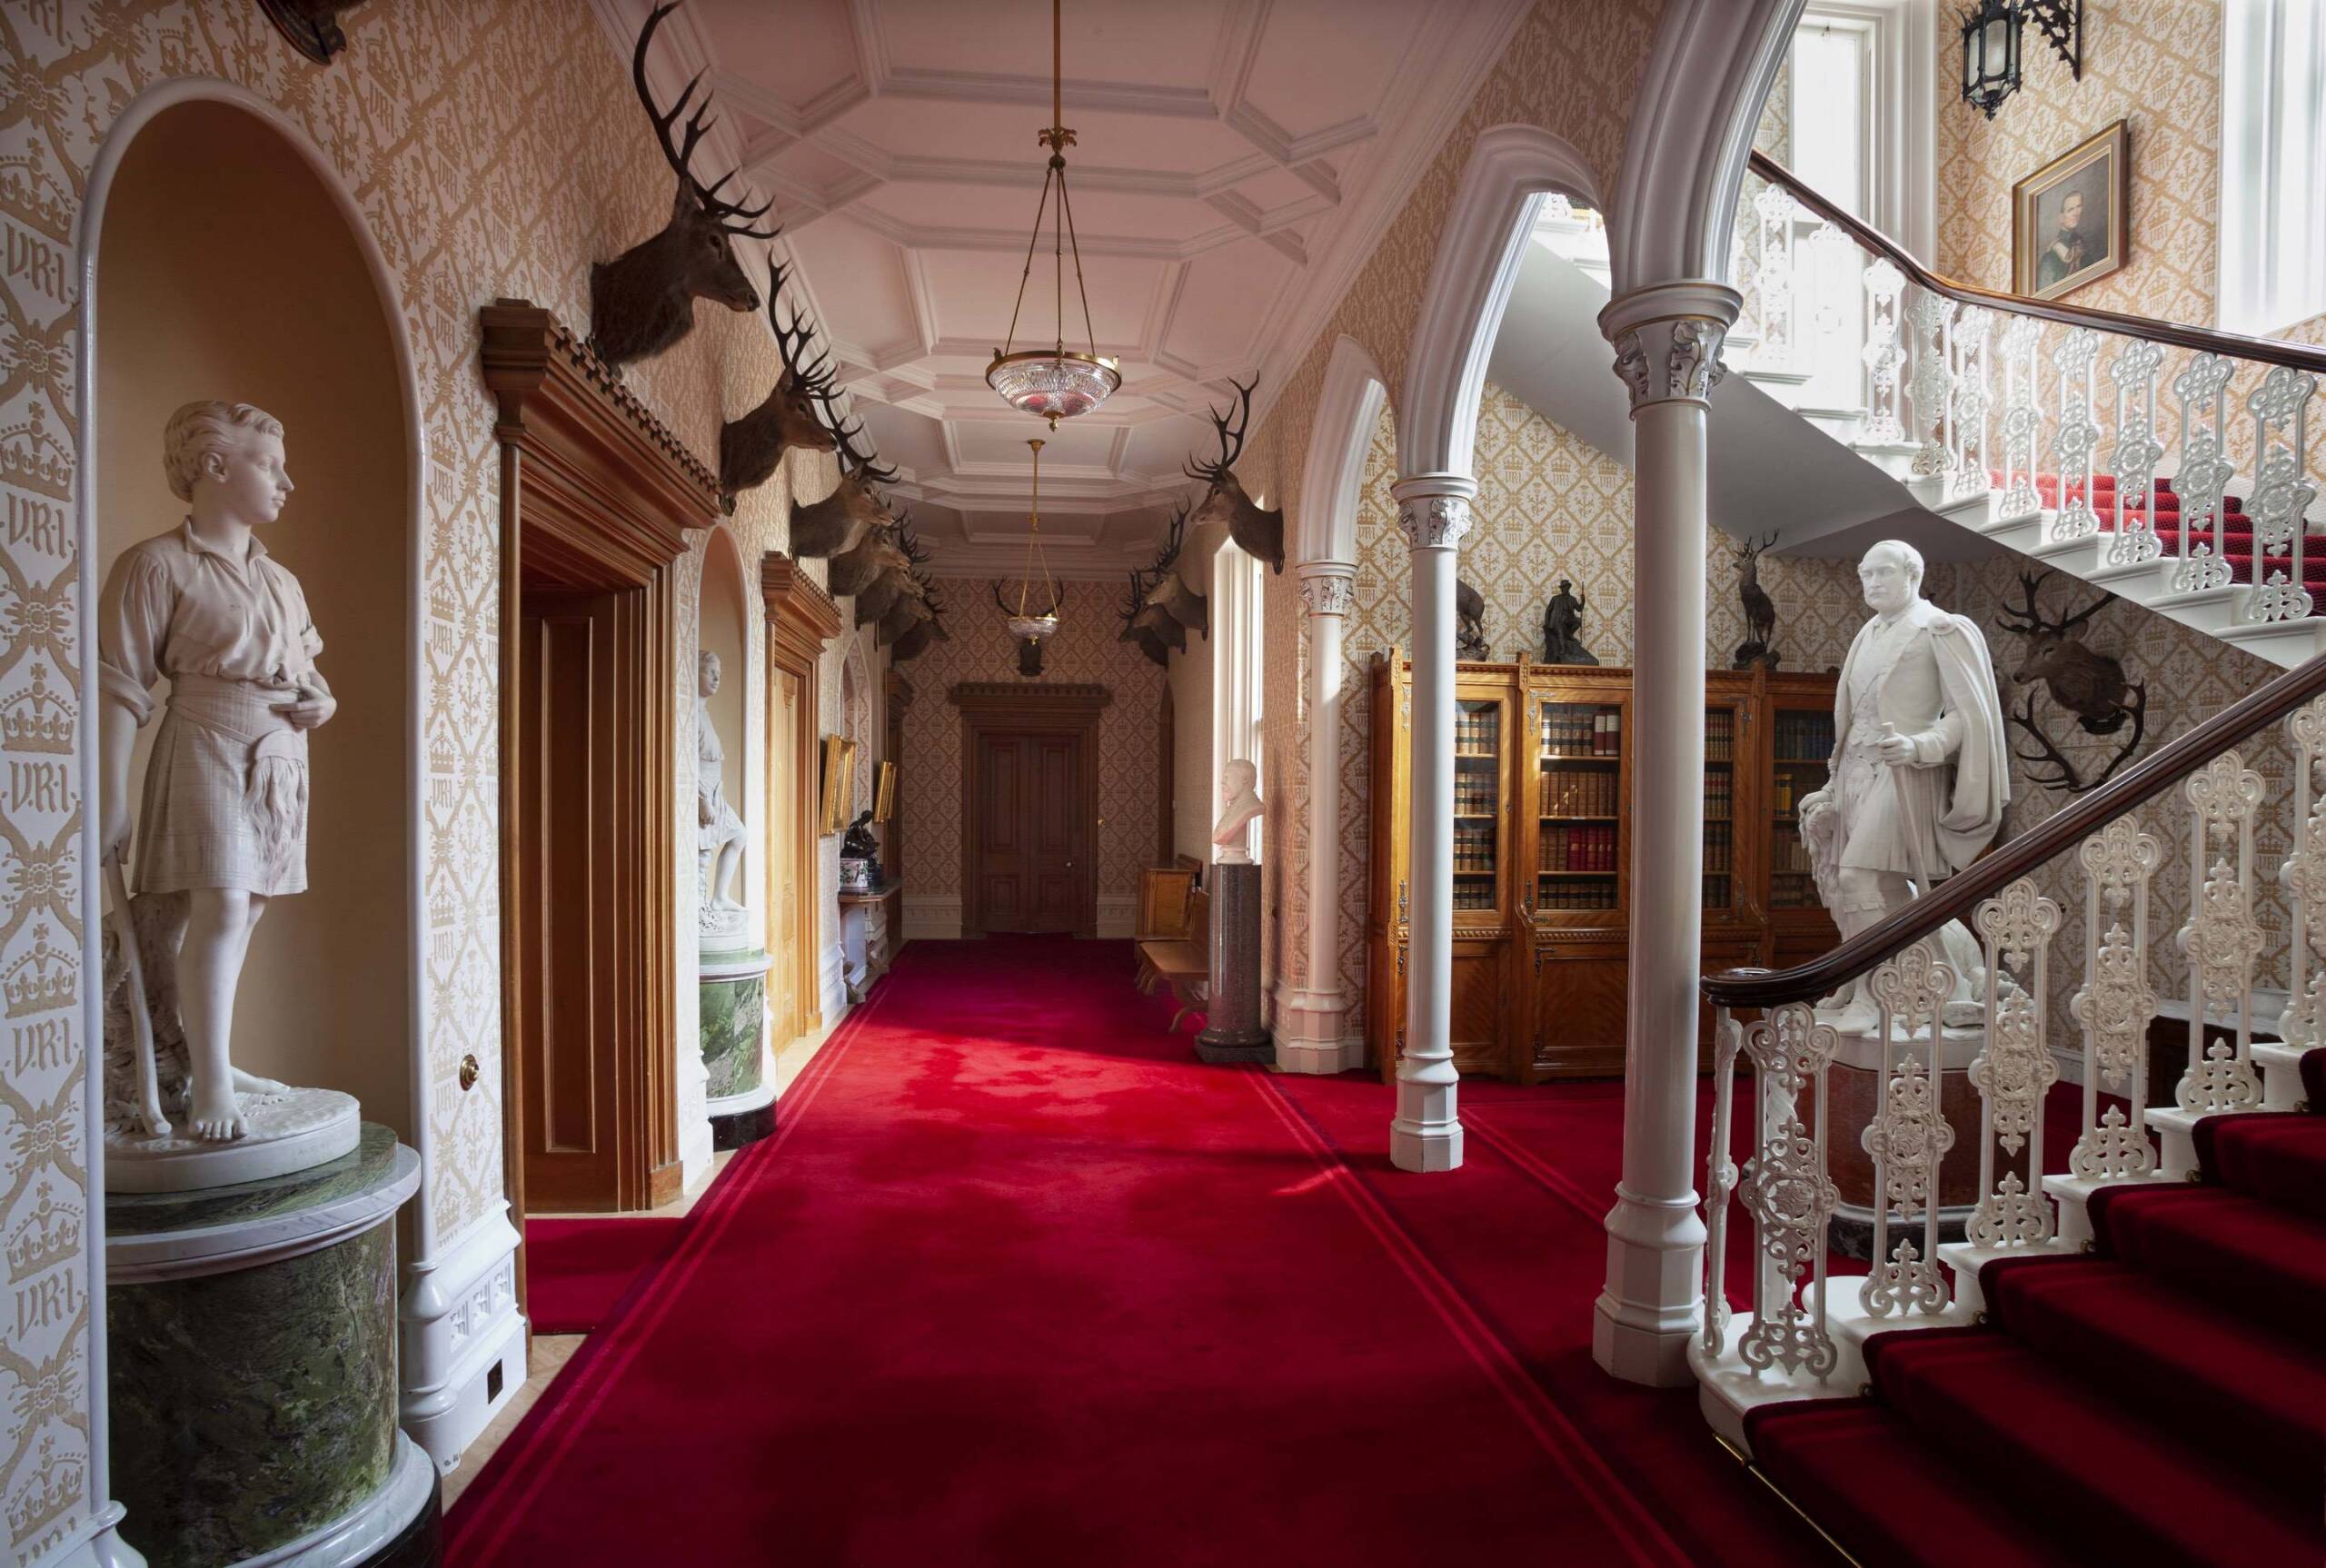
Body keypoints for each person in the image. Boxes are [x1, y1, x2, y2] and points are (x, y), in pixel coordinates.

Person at [99, 402, 333, 1140]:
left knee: (250, 908)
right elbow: (119, 685)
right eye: (270, 463)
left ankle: (213, 1062)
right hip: (205, 738)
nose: (286, 481)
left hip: (280, 759)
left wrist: (319, 705)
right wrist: (110, 799)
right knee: (223, 906)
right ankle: (205, 1086)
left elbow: (313, 677)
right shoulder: (154, 565)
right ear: (214, 465)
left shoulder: (283, 582)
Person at [1798, 541, 2008, 1029]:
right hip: (1854, 771)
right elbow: (1851, 722)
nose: (1872, 583)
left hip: (1904, 771)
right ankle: (1889, 979)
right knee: (1865, 887)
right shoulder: (1865, 634)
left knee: (1858, 878)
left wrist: (1921, 747)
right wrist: (1832, 780)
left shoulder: (1943, 629)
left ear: (1913, 574)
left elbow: (1967, 718)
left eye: (1883, 573)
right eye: (1865, 574)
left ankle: (1876, 996)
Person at [698, 650, 746, 912]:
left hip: (716, 792)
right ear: (694, 673)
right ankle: (701, 909)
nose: (717, 677)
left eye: (719, 673)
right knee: (702, 855)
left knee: (740, 835)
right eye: (710, 672)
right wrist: (702, 801)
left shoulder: (704, 712)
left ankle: (718, 898)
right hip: (704, 794)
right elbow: (687, 762)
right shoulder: (692, 712)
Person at [2036, 187, 2089, 293]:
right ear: (2061, 218)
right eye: (2070, 210)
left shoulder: (2083, 248)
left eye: (2078, 207)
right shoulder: (2050, 259)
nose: (2076, 213)